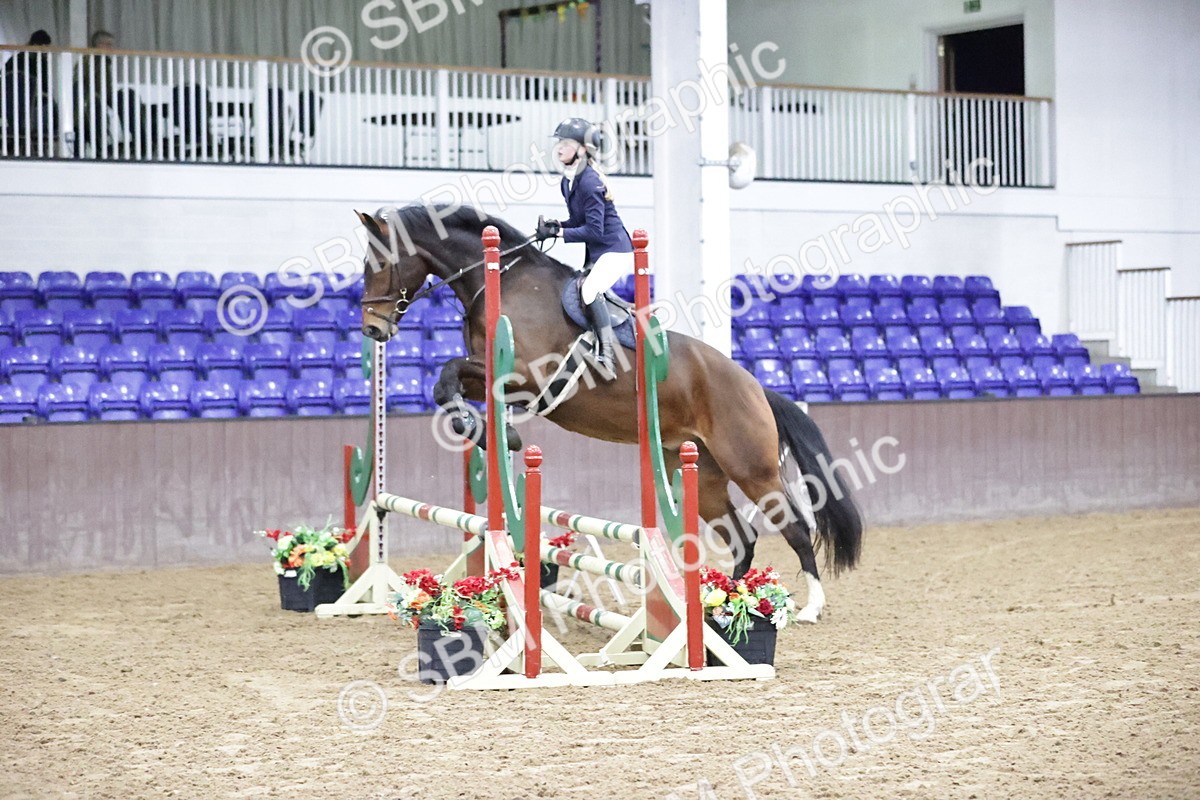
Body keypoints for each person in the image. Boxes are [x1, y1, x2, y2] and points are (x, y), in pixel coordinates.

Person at [535, 117, 633, 379]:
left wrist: (559, 233)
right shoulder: (568, 181)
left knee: (590, 290)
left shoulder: (589, 182)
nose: (559, 149)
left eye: (566, 144)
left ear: (582, 149)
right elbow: (579, 221)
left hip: (615, 251)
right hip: (598, 251)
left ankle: (607, 355)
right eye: (559, 143)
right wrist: (557, 225)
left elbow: (594, 231)